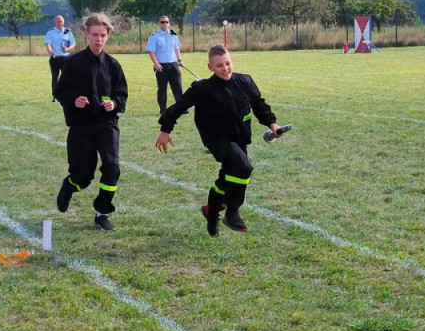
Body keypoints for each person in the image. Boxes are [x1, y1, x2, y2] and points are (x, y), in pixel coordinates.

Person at [155, 44, 281, 236]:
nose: (225, 68)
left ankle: (211, 212)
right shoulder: (203, 88)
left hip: (239, 137)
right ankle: (232, 212)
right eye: (220, 65)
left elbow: (259, 105)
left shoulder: (245, 81)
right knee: (243, 167)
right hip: (216, 138)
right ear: (210, 67)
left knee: (228, 177)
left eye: (228, 63)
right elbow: (178, 106)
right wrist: (166, 129)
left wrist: (272, 124)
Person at [54, 13, 128, 231]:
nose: (99, 39)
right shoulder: (73, 63)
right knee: (83, 177)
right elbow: (60, 92)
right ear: (86, 34)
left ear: (107, 37)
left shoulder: (113, 65)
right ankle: (69, 186)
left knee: (112, 168)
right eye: (94, 35)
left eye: (103, 35)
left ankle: (102, 212)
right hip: (81, 126)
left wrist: (114, 104)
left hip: (107, 125)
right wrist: (73, 100)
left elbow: (121, 94)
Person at [146, 15, 184, 114]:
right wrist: (156, 63)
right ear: (159, 23)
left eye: (166, 22)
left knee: (178, 87)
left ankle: (181, 107)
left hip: (173, 64)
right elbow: (151, 51)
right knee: (162, 88)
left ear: (169, 23)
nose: (165, 24)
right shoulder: (154, 36)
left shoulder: (173, 35)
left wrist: (179, 60)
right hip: (161, 66)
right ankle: (163, 109)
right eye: (162, 22)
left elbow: (176, 49)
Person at [44, 15, 75, 102]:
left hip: (66, 59)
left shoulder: (68, 32)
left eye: (61, 21)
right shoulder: (50, 32)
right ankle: (55, 96)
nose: (60, 23)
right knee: (55, 78)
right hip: (55, 58)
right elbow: (48, 44)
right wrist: (50, 51)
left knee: (66, 77)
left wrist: (68, 49)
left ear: (63, 22)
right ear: (55, 22)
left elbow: (73, 44)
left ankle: (67, 95)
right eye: (58, 21)